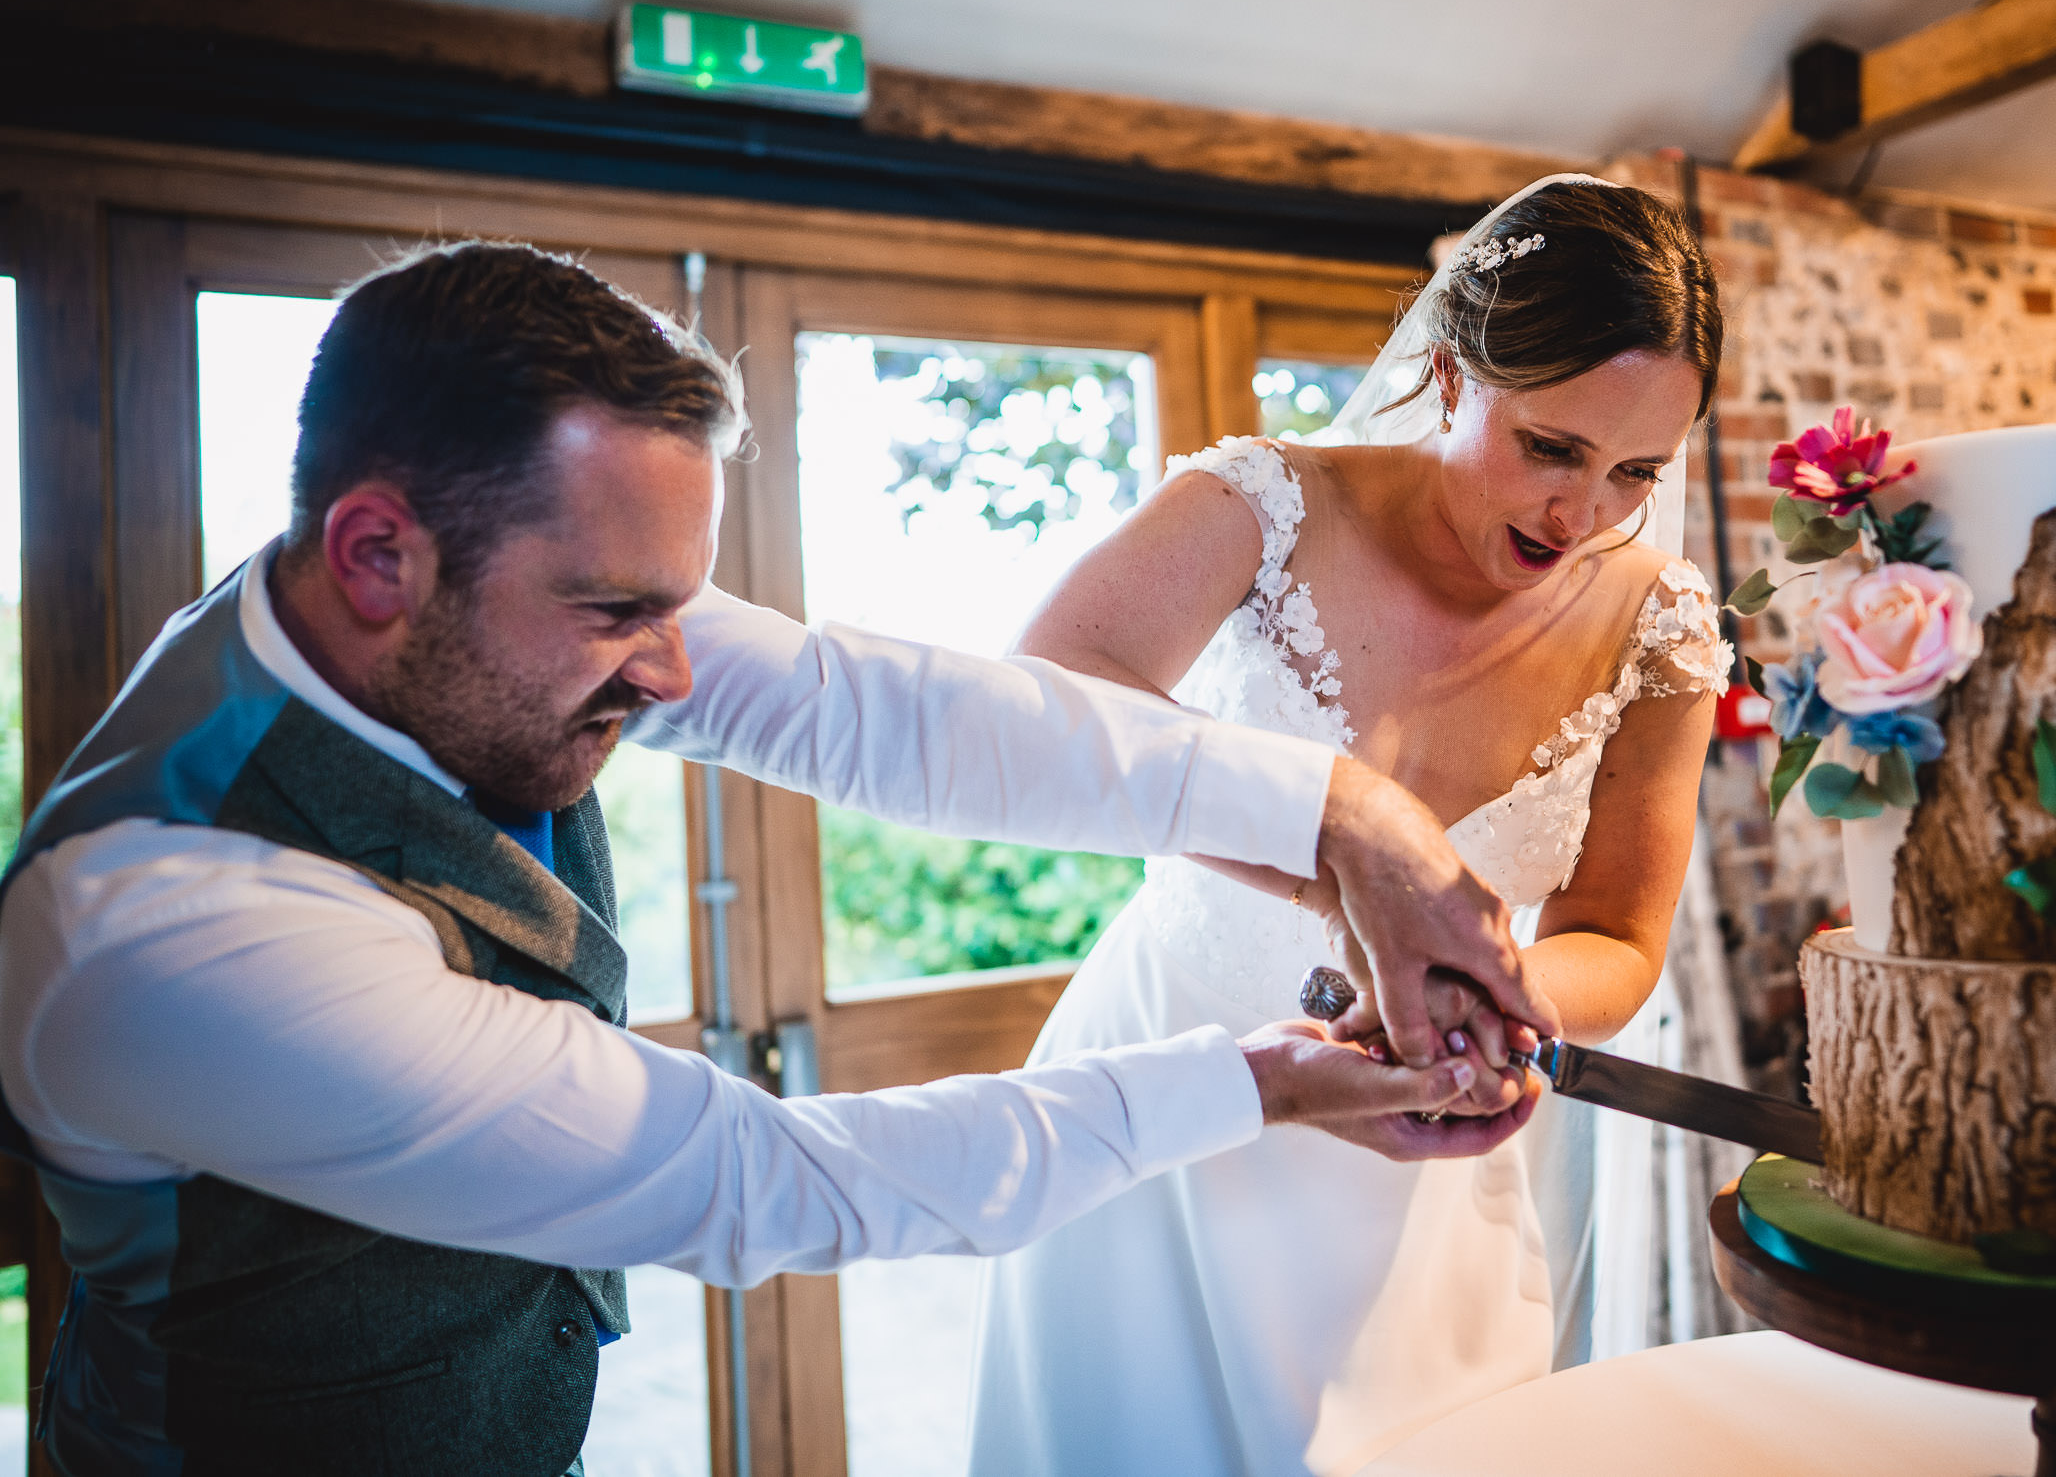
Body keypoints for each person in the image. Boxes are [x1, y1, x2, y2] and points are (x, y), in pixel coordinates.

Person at [0, 242, 1553, 1477]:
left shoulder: (441, 616)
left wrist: (1341, 811)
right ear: (376, 555)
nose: (674, 670)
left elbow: (862, 708)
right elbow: (757, 1177)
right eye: (620, 613)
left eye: (683, 601)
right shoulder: (167, 935)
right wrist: (1259, 1080)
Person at [968, 176, 1729, 1477]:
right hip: (1177, 1096)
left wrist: (1487, 993)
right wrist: (1342, 876)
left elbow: (1617, 936)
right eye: (1552, 448)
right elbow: (1043, 709)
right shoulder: (1261, 509)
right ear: (1443, 375)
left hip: (1434, 1158)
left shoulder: (1662, 628)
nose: (1587, 514)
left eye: (1638, 471)